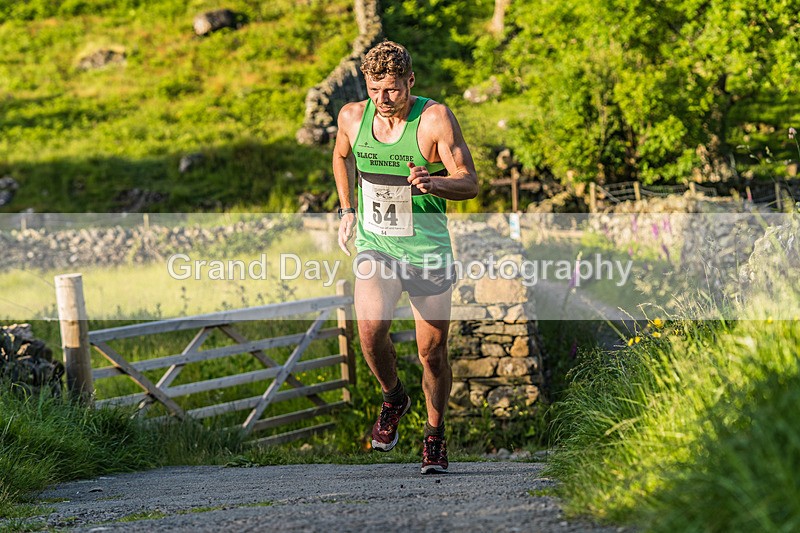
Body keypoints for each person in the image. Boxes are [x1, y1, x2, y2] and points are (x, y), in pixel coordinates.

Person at [332, 40, 478, 474]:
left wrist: (435, 183)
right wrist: (347, 210)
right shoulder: (352, 117)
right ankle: (394, 397)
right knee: (370, 329)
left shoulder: (434, 119)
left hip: (427, 250)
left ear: (410, 81)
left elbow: (469, 181)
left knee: (431, 353)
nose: (383, 99)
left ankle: (434, 434)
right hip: (378, 245)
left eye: (392, 89)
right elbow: (341, 156)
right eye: (374, 89)